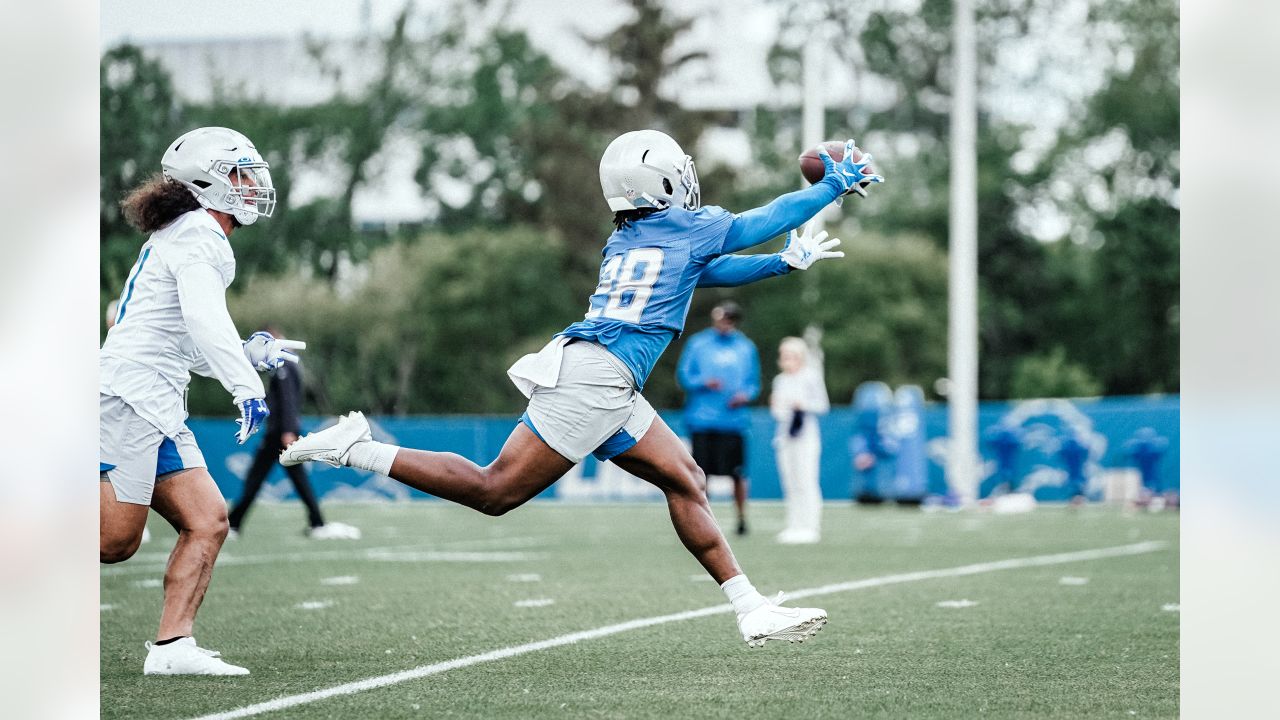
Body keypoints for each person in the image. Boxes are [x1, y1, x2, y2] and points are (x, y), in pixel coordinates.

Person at [283, 131, 881, 646]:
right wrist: (833, 185)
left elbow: (708, 270)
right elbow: (761, 221)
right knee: (495, 491)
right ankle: (354, 446)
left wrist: (781, 264)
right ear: (667, 182)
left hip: (608, 377)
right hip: (596, 380)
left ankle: (751, 609)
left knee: (686, 478)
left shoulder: (629, 238)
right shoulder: (685, 229)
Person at [100, 126, 304, 675]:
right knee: (114, 542)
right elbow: (201, 319)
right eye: (241, 173)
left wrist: (247, 352)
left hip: (157, 400)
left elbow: (187, 338)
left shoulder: (189, 234)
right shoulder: (198, 236)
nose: (253, 183)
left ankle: (172, 648)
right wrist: (246, 385)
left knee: (209, 518)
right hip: (130, 396)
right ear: (209, 181)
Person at [228, 327, 360, 540]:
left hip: (280, 434)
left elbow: (288, 400)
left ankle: (234, 524)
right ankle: (316, 522)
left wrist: (288, 430)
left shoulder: (284, 366)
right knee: (291, 478)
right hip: (282, 433)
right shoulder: (289, 364)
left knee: (258, 478)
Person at [676, 301, 759, 535]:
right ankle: (704, 522)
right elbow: (684, 376)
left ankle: (742, 518)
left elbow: (754, 382)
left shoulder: (746, 347)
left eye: (730, 319)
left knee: (738, 474)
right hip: (702, 419)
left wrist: (745, 395)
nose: (726, 323)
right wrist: (703, 382)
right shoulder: (698, 344)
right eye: (723, 318)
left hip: (733, 421)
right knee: (702, 474)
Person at [769, 337, 830, 544]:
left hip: (806, 435)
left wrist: (802, 405)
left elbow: (822, 405)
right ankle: (794, 525)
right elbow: (777, 409)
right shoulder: (780, 380)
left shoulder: (810, 376)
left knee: (806, 480)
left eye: (792, 355)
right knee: (790, 481)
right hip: (785, 435)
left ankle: (810, 525)